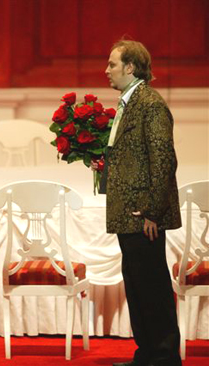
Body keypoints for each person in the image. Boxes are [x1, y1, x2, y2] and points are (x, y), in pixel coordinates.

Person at [102, 40, 182, 366]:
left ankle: (163, 356)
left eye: (112, 64)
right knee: (137, 286)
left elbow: (163, 160)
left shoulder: (150, 104)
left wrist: (151, 210)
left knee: (152, 288)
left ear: (130, 67)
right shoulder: (130, 102)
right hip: (129, 212)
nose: (106, 70)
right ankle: (146, 353)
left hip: (142, 213)